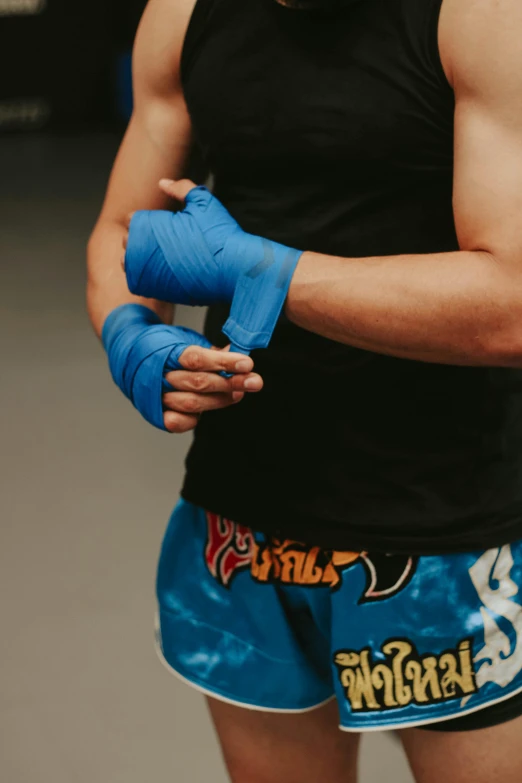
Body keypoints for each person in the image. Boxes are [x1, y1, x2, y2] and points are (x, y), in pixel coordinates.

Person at [87, 0, 522, 780]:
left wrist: (270, 274)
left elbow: (515, 299)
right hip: (244, 521)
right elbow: (125, 232)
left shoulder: (480, 16)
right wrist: (131, 335)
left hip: (449, 524)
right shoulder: (186, 12)